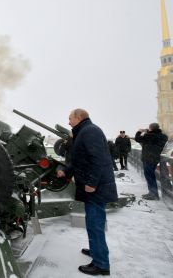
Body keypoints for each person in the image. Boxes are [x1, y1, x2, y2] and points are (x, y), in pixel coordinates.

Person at [57, 108, 117, 276]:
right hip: (94, 187)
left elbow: (97, 159)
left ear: (79, 117)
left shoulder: (89, 132)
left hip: (96, 188)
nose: (68, 122)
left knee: (95, 224)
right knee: (92, 223)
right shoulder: (84, 131)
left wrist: (91, 183)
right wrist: (66, 171)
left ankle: (101, 265)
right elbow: (80, 161)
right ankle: (95, 250)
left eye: (70, 118)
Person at [134, 123, 168, 200]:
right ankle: (152, 193)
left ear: (151, 128)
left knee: (149, 177)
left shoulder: (149, 136)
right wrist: (148, 132)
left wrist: (139, 131)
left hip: (148, 159)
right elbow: (154, 138)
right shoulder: (163, 136)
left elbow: (137, 138)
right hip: (155, 158)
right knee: (151, 176)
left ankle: (153, 194)